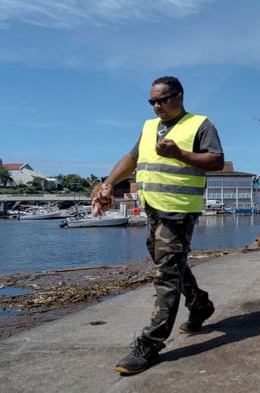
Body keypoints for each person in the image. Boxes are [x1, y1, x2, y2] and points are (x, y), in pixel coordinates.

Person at [92, 76, 225, 375]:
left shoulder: (201, 124)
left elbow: (216, 161)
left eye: (162, 100)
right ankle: (200, 304)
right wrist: (108, 184)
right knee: (170, 263)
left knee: (166, 273)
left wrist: (179, 154)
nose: (157, 106)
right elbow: (133, 157)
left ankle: (149, 344)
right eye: (152, 101)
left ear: (179, 96)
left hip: (178, 211)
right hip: (152, 209)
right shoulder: (149, 126)